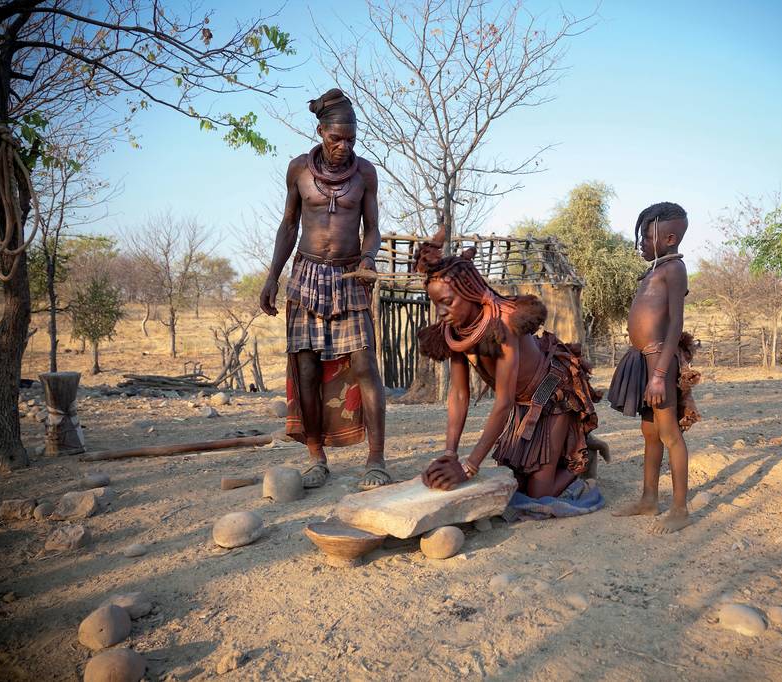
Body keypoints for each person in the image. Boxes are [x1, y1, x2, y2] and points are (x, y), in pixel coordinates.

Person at [258, 88, 390, 490]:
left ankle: (376, 460)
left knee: (366, 365)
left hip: (349, 276)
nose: (343, 146)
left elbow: (373, 230)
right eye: (336, 138)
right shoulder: (298, 170)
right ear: (320, 132)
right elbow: (288, 226)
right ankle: (316, 456)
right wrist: (272, 276)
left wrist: (368, 260)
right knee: (307, 369)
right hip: (305, 276)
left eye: (350, 139)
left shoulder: (365, 173)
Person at [415, 229, 605, 498]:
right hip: (521, 402)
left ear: (470, 292)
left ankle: (582, 459)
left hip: (551, 391)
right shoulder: (455, 332)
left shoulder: (503, 324)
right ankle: (562, 452)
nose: (441, 312)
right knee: (516, 482)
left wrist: (469, 468)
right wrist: (450, 454)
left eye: (447, 302)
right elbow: (459, 394)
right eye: (436, 304)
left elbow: (502, 402)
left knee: (539, 493)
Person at [607, 202, 702, 533]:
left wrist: (660, 375)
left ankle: (680, 508)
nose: (642, 243)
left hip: (658, 360)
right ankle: (649, 499)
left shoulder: (674, 270)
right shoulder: (653, 270)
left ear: (670, 237)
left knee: (669, 433)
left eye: (648, 237)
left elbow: (676, 324)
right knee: (649, 432)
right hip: (643, 358)